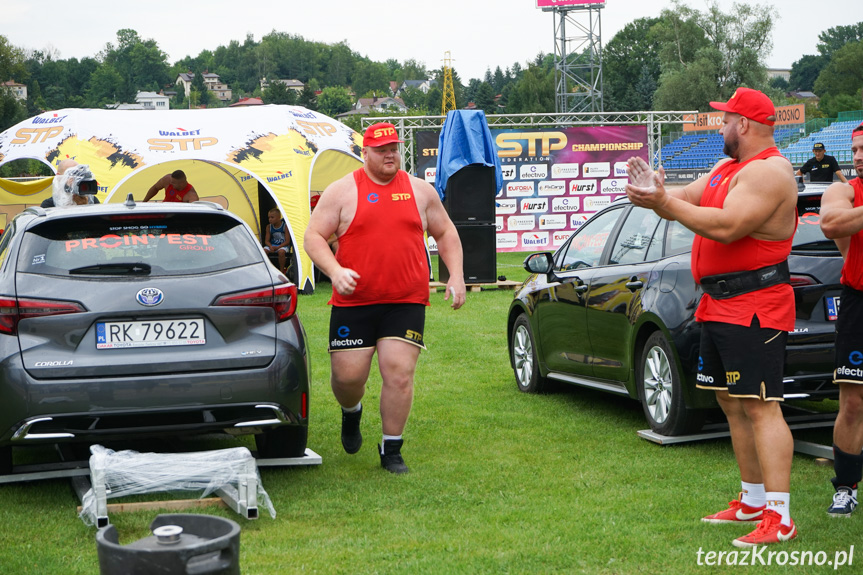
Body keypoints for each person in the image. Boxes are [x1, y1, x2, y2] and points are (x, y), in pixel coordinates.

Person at [626, 87, 799, 547]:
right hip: (719, 302)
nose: (719, 127)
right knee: (731, 401)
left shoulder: (770, 172)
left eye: (724, 120)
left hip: (755, 304)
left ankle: (780, 517)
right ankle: (753, 500)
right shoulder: (728, 167)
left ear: (743, 124)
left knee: (762, 406)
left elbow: (725, 226)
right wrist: (656, 192)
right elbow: (687, 195)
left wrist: (664, 204)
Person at [304, 122, 466, 474]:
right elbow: (314, 236)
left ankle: (391, 448)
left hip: (405, 300)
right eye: (381, 149)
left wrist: (456, 275)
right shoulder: (342, 191)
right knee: (348, 379)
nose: (390, 154)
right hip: (354, 301)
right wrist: (334, 271)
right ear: (365, 153)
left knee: (399, 373)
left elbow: (446, 231)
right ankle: (351, 412)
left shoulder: (420, 191)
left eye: (394, 147)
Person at [817, 123, 863, 517]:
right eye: (855, 148)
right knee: (851, 404)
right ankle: (845, 487)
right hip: (858, 303)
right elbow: (832, 223)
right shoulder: (844, 190)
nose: (859, 155)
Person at [263, 207, 292, 275]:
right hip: (273, 245)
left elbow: (287, 241)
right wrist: (270, 246)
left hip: (283, 245)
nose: (270, 219)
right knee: (264, 251)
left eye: (272, 217)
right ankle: (267, 269)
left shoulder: (285, 226)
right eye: (269, 217)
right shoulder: (268, 227)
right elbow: (266, 241)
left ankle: (282, 271)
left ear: (278, 217)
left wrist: (278, 247)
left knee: (281, 252)